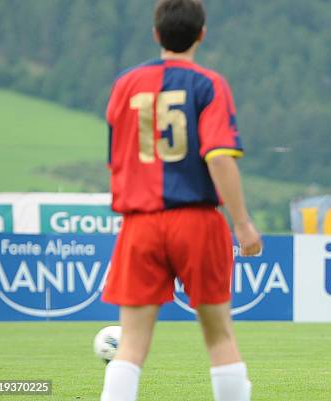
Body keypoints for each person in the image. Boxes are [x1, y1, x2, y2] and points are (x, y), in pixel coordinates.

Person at [99, 1, 262, 400]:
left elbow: (115, 155)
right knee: (219, 336)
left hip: (140, 223)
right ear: (202, 34)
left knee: (132, 345)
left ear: (156, 34)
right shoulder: (208, 84)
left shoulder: (125, 84)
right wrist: (242, 223)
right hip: (196, 219)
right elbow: (219, 155)